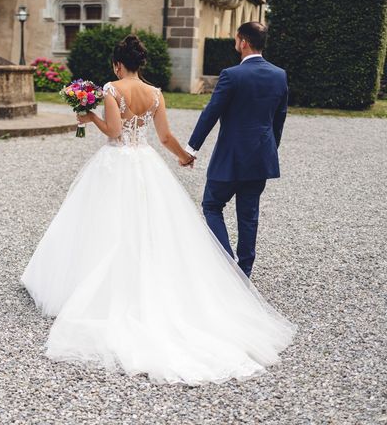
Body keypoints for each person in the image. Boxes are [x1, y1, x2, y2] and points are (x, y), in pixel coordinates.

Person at [21, 34, 295, 385]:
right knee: (151, 225)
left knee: (102, 224)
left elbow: (115, 132)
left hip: (117, 163)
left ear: (118, 64)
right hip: (147, 163)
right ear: (141, 63)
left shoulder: (111, 89)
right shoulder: (155, 94)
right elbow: (164, 137)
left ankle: (93, 285)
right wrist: (184, 156)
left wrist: (89, 117)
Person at [184, 22, 288, 278]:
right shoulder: (279, 75)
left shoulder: (231, 75)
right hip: (261, 158)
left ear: (243, 42)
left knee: (211, 205)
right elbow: (279, 118)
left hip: (229, 158)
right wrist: (270, 149)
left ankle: (227, 263)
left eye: (236, 38)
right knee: (249, 214)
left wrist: (191, 148)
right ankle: (245, 271)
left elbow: (211, 113)